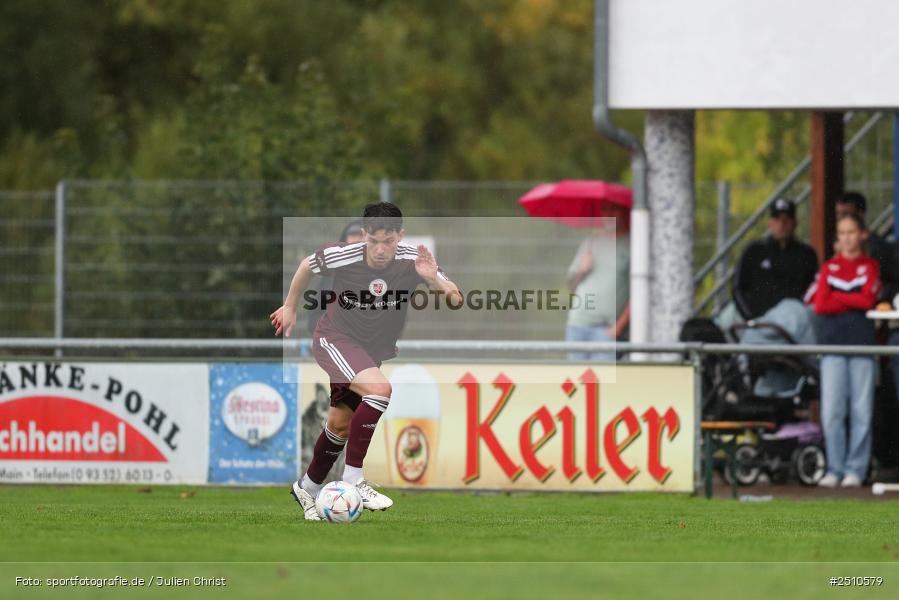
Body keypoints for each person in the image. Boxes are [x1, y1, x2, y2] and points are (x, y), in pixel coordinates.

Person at [270, 202, 461, 520]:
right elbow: (307, 265)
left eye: (388, 241)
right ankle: (354, 480)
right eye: (374, 241)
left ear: (401, 236)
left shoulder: (414, 259)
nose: (380, 249)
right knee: (380, 390)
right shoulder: (345, 254)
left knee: (339, 425)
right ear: (364, 235)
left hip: (368, 354)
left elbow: (455, 299)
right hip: (335, 340)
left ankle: (307, 487)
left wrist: (434, 280)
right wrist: (290, 306)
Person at [811, 212, 880, 488]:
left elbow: (868, 300)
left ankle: (856, 469)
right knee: (832, 411)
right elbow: (820, 305)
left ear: (862, 234)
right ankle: (835, 468)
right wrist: (852, 297)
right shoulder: (829, 267)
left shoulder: (870, 265)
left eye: (851, 232)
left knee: (861, 411)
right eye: (842, 233)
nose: (847, 238)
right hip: (832, 345)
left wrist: (837, 296)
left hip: (862, 344)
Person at [732, 198, 818, 320]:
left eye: (786, 220)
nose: (781, 225)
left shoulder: (806, 254)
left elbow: (813, 290)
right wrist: (751, 319)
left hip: (794, 323)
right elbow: (738, 288)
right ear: (770, 223)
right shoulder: (754, 251)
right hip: (758, 322)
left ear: (794, 223)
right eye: (777, 219)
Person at [565, 205, 630, 362]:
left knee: (602, 377)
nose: (609, 215)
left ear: (623, 212)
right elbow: (571, 287)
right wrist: (582, 270)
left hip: (607, 330)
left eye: (613, 210)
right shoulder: (591, 243)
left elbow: (640, 293)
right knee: (575, 376)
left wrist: (618, 327)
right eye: (605, 210)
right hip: (577, 324)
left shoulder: (632, 245)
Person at [306, 220, 365, 337]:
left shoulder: (380, 273)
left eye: (361, 235)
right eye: (353, 235)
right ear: (345, 239)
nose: (357, 239)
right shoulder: (331, 275)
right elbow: (315, 316)